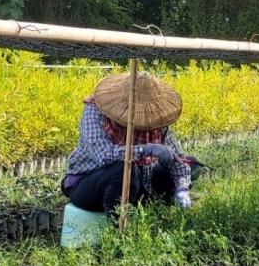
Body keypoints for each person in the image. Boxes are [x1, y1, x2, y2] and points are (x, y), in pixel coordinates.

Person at [62, 72, 198, 213]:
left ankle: (156, 210)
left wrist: (182, 188)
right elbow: (103, 155)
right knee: (125, 168)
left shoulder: (157, 119)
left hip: (139, 182)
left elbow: (177, 158)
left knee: (190, 164)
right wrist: (146, 149)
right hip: (91, 183)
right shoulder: (95, 111)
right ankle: (118, 226)